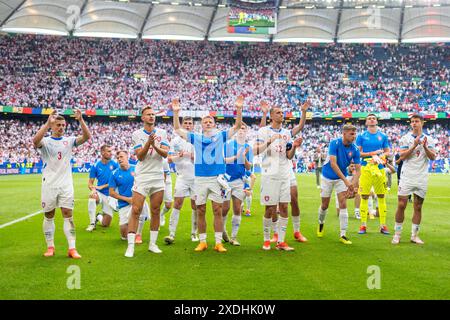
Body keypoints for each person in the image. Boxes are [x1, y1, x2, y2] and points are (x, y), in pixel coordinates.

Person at [172, 96, 243, 253]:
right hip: (200, 179)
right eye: (205, 121)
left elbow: (237, 126)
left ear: (214, 124)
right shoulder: (195, 137)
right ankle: (203, 241)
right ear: (202, 126)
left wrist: (238, 109)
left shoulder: (221, 136)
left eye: (210, 121)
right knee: (201, 210)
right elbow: (178, 130)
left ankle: (218, 242)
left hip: (217, 178)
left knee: (217, 209)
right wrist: (176, 113)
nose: (208, 123)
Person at [33, 109, 91, 258]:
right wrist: (47, 123)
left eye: (63, 125)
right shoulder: (46, 141)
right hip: (49, 184)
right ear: (53, 126)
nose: (61, 127)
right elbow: (35, 141)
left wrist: (80, 120)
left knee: (68, 214)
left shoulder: (69, 141)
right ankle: (50, 247)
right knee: (49, 215)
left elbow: (87, 136)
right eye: (58, 125)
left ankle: (72, 248)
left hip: (66, 184)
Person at [259, 100, 309, 244]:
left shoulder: (286, 132)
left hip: (287, 170)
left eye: (282, 113)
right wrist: (264, 113)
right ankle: (275, 234)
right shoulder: (265, 131)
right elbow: (262, 131)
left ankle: (296, 231)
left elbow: (300, 127)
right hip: (271, 170)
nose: (282, 115)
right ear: (271, 116)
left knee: (293, 199)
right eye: (278, 112)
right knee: (273, 205)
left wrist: (303, 112)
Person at [124, 106, 169, 257]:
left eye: (153, 114)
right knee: (136, 210)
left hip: (157, 175)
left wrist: (154, 144)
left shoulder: (162, 133)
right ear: (142, 118)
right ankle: (130, 246)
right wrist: (148, 143)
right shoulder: (136, 134)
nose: (151, 116)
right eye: (148, 115)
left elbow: (165, 154)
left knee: (156, 210)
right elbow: (140, 157)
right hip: (142, 176)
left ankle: (152, 244)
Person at [392, 114, 436, 245]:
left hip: (421, 177)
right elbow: (402, 157)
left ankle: (414, 235)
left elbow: (433, 157)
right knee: (401, 204)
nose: (414, 124)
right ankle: (397, 234)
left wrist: (424, 147)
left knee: (418, 206)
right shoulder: (405, 138)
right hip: (407, 175)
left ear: (422, 123)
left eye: (417, 121)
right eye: (412, 122)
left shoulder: (430, 139)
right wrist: (414, 145)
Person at [317, 124, 361, 245]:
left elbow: (358, 170)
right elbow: (333, 164)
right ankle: (321, 223)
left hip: (341, 179)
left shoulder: (355, 149)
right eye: (351, 134)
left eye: (355, 133)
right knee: (324, 205)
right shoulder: (334, 143)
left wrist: (352, 183)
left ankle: (343, 234)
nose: (354, 136)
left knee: (343, 203)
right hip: (327, 178)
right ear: (344, 133)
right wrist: (347, 182)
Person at [164, 116, 198, 244]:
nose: (188, 125)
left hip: (195, 178)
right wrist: (179, 156)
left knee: (195, 205)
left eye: (190, 123)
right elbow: (169, 159)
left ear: (193, 126)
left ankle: (194, 233)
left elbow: (201, 159)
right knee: (177, 204)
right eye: (186, 123)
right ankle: (171, 233)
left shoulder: (197, 140)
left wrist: (189, 155)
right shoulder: (175, 141)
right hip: (181, 177)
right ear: (182, 125)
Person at [356, 114, 390, 235]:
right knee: (364, 196)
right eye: (369, 118)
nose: (371, 119)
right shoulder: (361, 136)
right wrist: (372, 153)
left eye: (373, 118)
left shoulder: (383, 136)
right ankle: (363, 225)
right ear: (366, 122)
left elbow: (387, 151)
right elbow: (358, 153)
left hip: (379, 168)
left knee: (381, 195)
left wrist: (381, 156)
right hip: (365, 168)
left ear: (376, 121)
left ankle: (383, 225)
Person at [221, 123, 253, 246]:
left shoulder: (247, 147)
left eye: (243, 128)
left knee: (237, 208)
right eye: (239, 128)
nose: (241, 130)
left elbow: (249, 166)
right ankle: (223, 231)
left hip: (239, 181)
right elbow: (223, 160)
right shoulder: (228, 144)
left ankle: (234, 237)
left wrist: (243, 157)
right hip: (226, 180)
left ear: (246, 132)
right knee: (224, 208)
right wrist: (236, 156)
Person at [109, 150, 149, 241]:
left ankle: (139, 234)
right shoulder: (114, 173)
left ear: (127, 157)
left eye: (121, 157)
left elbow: (145, 183)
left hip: (138, 200)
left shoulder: (137, 168)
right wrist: (127, 199)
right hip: (124, 203)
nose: (119, 159)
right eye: (118, 158)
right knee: (124, 236)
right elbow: (111, 192)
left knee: (140, 213)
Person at [86, 145, 118, 231]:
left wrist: (103, 186)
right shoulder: (96, 165)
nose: (111, 153)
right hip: (100, 193)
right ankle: (92, 224)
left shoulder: (115, 164)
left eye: (111, 151)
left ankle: (99, 217)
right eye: (109, 151)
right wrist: (93, 189)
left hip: (111, 195)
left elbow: (115, 181)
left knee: (105, 224)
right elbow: (90, 183)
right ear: (102, 152)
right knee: (92, 196)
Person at [159, 158, 173, 227]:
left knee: (168, 205)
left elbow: (164, 176)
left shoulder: (164, 161)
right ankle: (155, 225)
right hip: (155, 182)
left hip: (166, 182)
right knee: (156, 204)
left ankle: (161, 215)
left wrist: (162, 188)